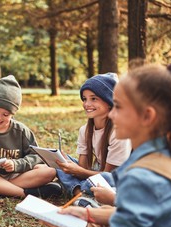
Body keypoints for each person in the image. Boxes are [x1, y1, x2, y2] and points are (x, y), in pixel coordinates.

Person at [38, 61, 171, 227]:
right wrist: (88, 215)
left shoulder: (141, 177)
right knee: (102, 211)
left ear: (147, 116)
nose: (112, 113)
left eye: (119, 107)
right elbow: (142, 217)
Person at [0, 75, 62, 204]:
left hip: (17, 175)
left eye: (5, 114)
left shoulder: (21, 131)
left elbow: (36, 157)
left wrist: (16, 164)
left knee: (49, 171)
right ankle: (25, 194)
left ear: (13, 114)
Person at [35, 73, 131, 207]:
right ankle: (81, 193)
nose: (87, 104)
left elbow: (108, 174)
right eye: (84, 99)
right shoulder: (85, 130)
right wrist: (67, 164)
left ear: (109, 102)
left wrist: (76, 171)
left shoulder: (118, 132)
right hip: (95, 173)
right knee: (61, 164)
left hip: (118, 177)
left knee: (100, 179)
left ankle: (78, 191)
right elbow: (82, 167)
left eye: (94, 99)